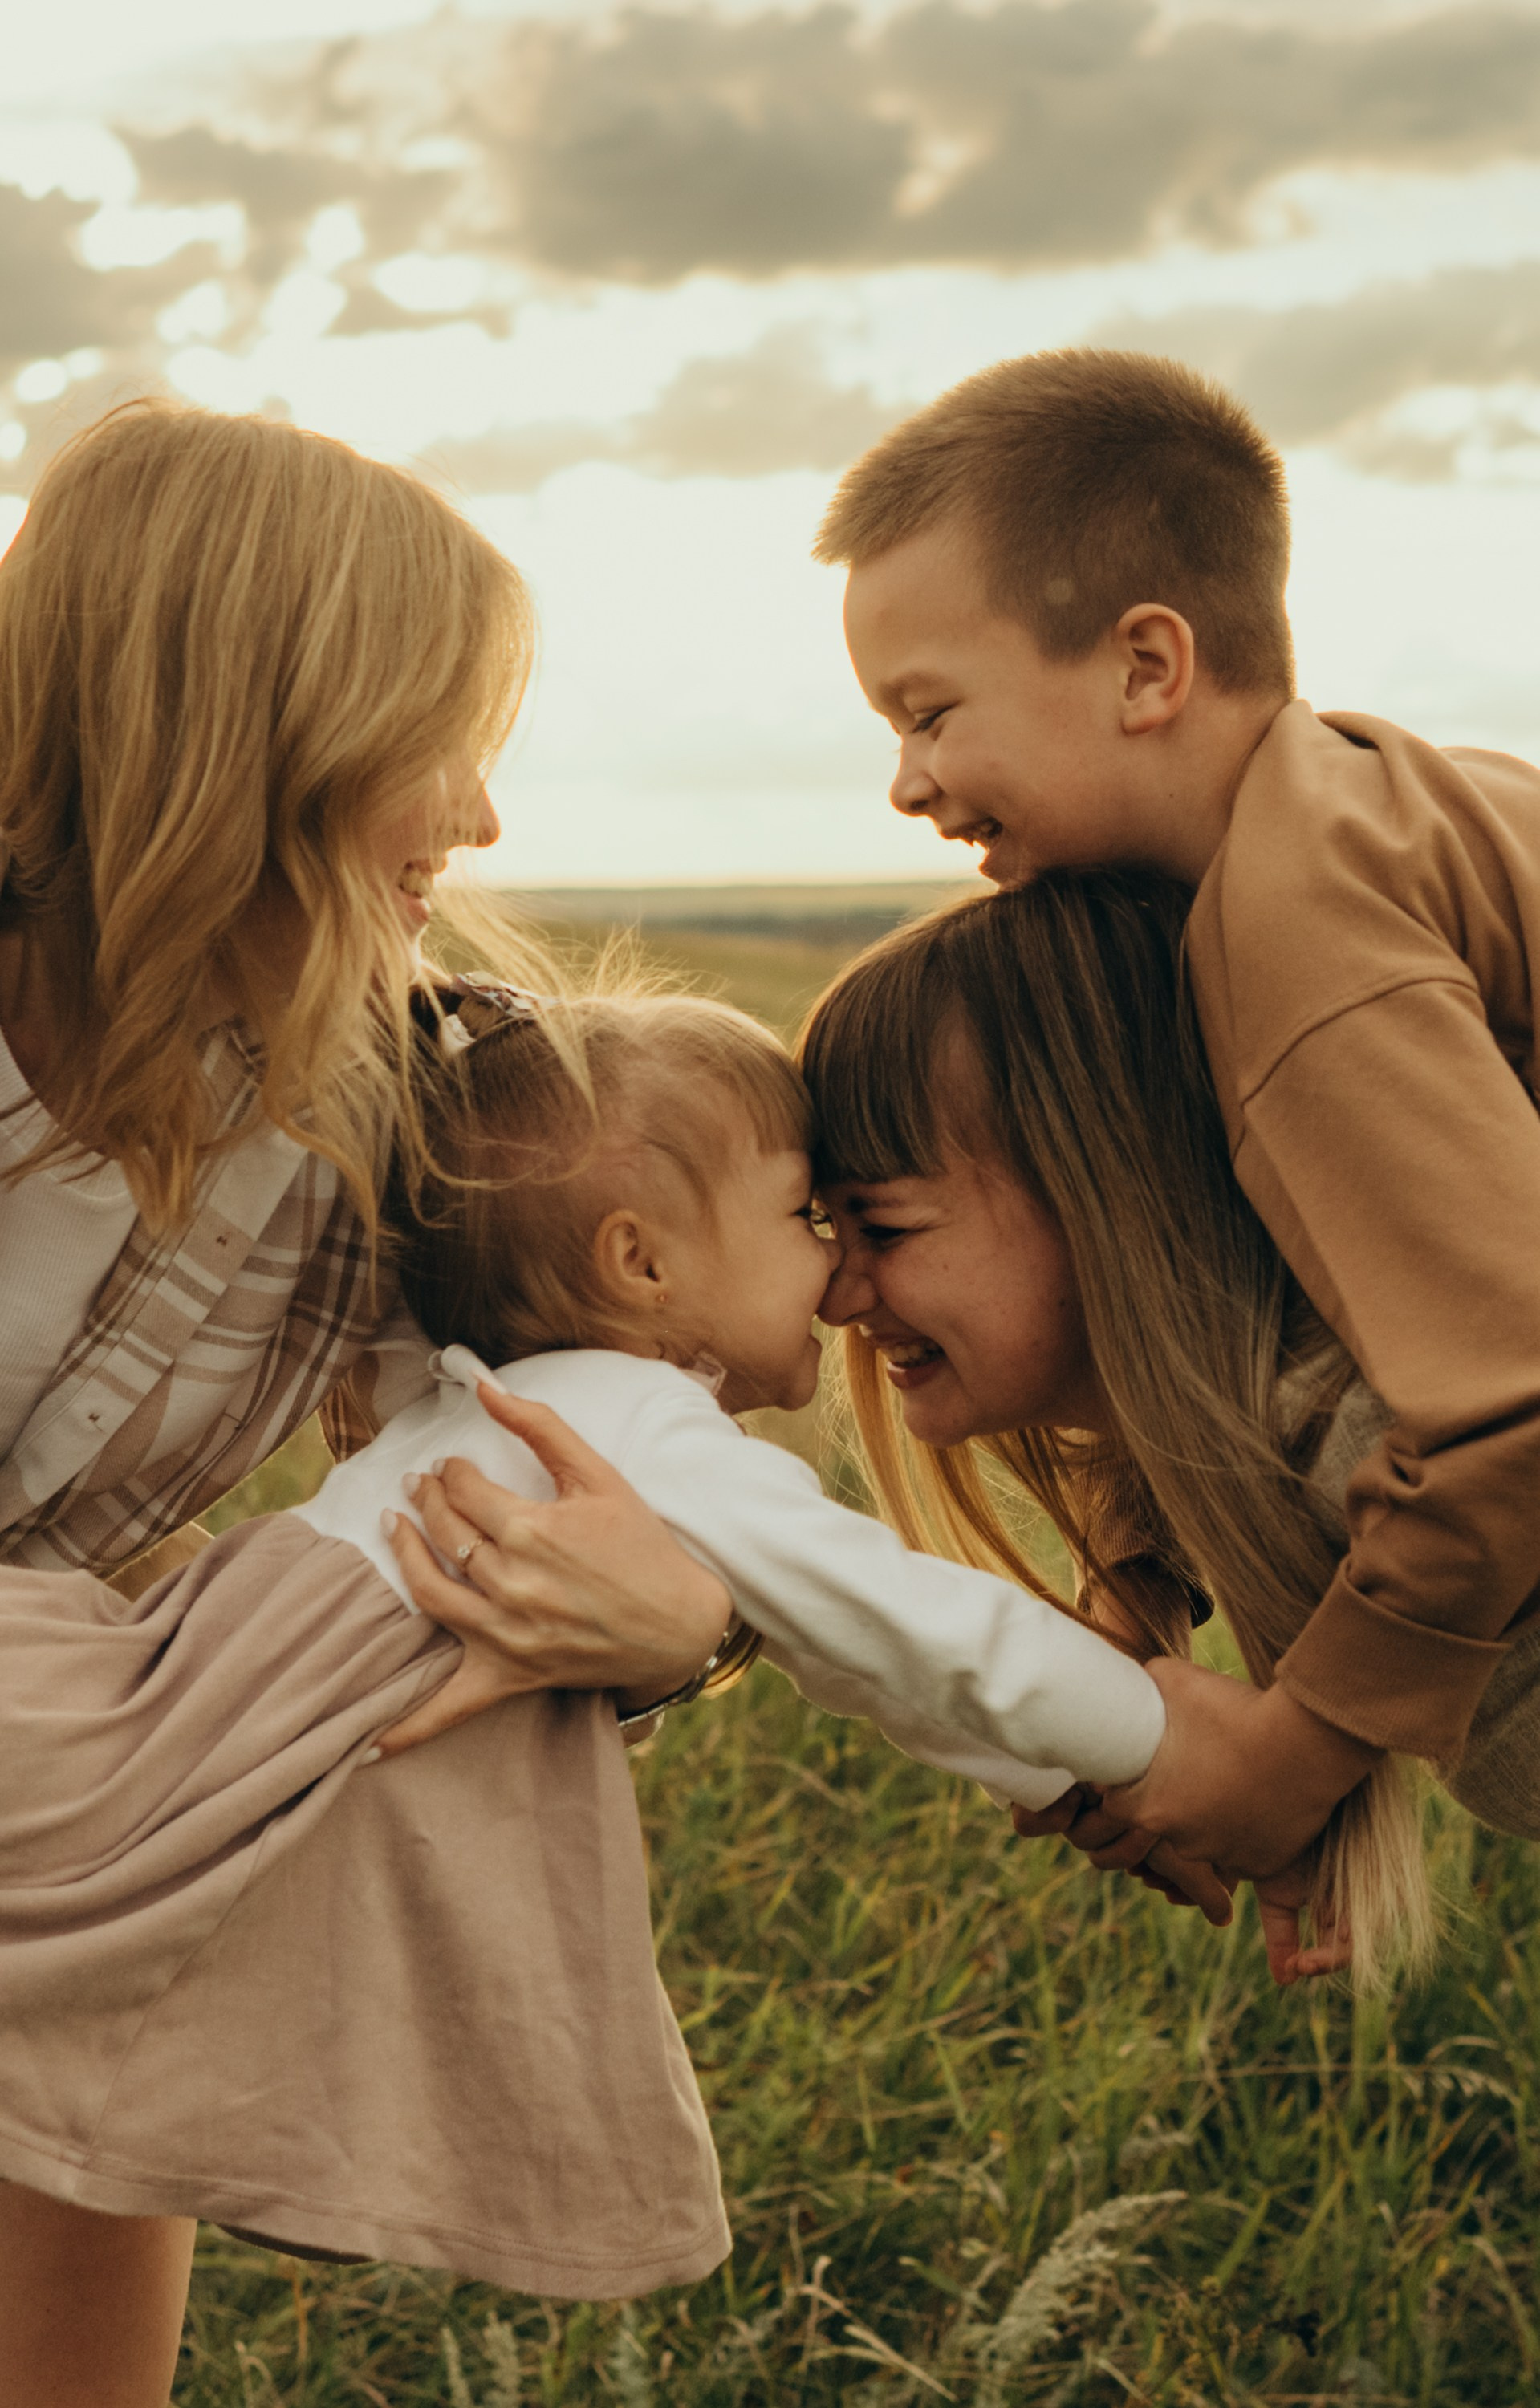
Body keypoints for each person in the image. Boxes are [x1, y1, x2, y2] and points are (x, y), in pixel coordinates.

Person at [2, 979, 1201, 2406]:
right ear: (639, 1260)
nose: (835, 1273)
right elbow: (907, 1620)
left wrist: (1053, 1786)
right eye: (804, 1216)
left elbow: (841, 1654)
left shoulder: (492, 1396)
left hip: (161, 1723)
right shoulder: (643, 1423)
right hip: (195, 1771)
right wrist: (1167, 1741)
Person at [0, 393, 677, 2408]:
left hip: (79, 1776)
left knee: (371, 1642)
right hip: (63, 1759)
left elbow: (494, 1473)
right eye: (435, 741)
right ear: (244, 732)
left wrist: (671, 1626)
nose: (477, 821)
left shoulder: (397, 1095)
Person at [807, 345, 1540, 1894]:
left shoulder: (1300, 932)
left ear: (1149, 666)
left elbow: (1507, 1407)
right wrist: (1144, 1566)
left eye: (930, 713)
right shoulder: (1349, 808)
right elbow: (1186, 1234)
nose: (906, 782)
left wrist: (1298, 1750)